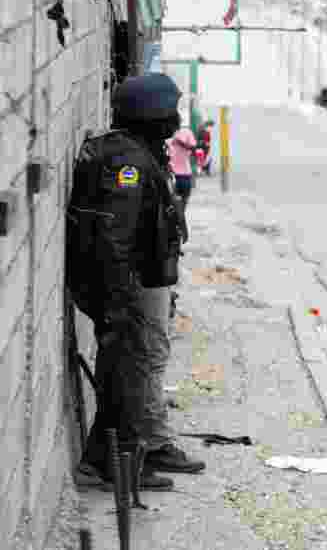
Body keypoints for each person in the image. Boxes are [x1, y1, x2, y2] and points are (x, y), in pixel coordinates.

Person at [67, 73, 206, 491]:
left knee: (124, 372)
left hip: (132, 286)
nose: (175, 118)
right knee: (125, 375)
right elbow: (115, 235)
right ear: (151, 113)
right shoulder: (127, 162)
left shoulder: (140, 151)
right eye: (169, 110)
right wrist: (121, 298)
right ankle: (117, 464)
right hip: (125, 289)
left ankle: (113, 457)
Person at [167, 127, 197, 209]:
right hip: (170, 175)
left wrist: (181, 143)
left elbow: (193, 148)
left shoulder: (186, 132)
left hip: (184, 174)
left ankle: (180, 217)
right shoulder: (165, 132)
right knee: (170, 204)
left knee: (183, 203)